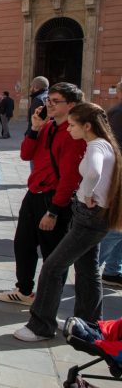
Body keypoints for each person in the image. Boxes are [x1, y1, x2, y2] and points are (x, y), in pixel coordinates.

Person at [14, 102, 122, 341]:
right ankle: (88, 324)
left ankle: (41, 325)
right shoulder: (103, 144)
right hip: (93, 216)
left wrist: (86, 194)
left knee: (53, 267)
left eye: (73, 125)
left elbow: (92, 172)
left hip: (88, 217)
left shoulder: (95, 145)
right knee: (87, 269)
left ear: (87, 125)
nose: (69, 129)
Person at [0, 82, 86, 305]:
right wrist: (35, 128)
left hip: (54, 197)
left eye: (56, 101)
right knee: (23, 243)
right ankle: (24, 290)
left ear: (72, 104)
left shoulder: (73, 134)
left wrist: (54, 211)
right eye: (49, 100)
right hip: (34, 192)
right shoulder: (47, 126)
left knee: (52, 255)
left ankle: (47, 301)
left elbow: (70, 178)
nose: (50, 105)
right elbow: (26, 154)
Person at [98, 81, 122, 286]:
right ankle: (92, 267)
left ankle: (113, 270)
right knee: (117, 228)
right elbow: (115, 148)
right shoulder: (118, 113)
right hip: (119, 177)